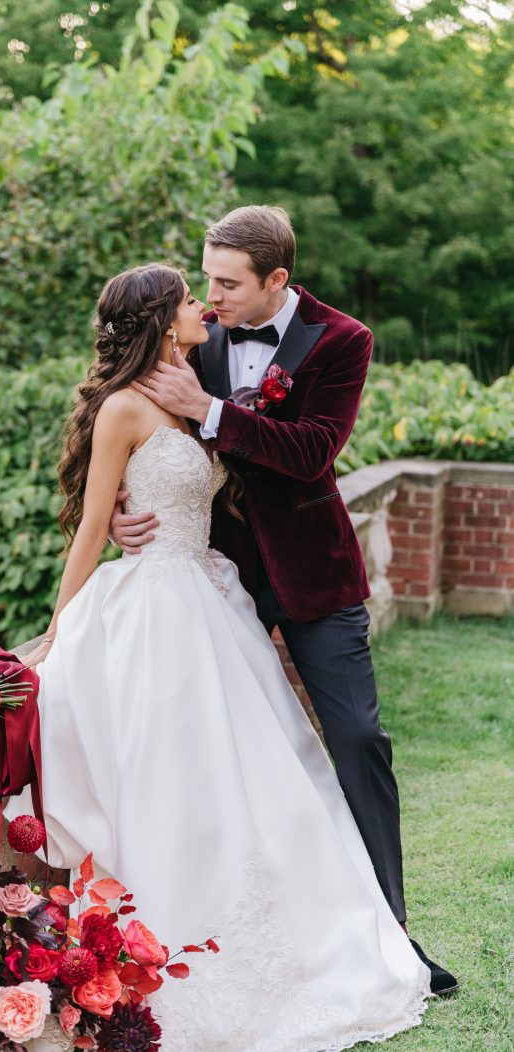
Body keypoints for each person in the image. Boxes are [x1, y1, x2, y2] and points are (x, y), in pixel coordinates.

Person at [9, 262, 432, 1052]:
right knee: (177, 776)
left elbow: (292, 451)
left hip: (216, 598)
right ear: (165, 321)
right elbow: (92, 523)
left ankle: (368, 928)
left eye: (219, 286)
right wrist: (62, 625)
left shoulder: (207, 370)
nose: (208, 304)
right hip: (159, 610)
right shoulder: (127, 407)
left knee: (273, 772)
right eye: (192, 295)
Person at [113, 206, 458, 998]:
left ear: (278, 280)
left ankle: (392, 936)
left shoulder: (344, 342)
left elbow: (311, 453)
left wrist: (210, 411)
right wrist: (122, 512)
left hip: (314, 575)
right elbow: (122, 422)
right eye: (206, 279)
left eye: (228, 283)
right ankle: (236, 936)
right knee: (225, 759)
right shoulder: (196, 336)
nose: (210, 297)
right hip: (212, 574)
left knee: (357, 739)